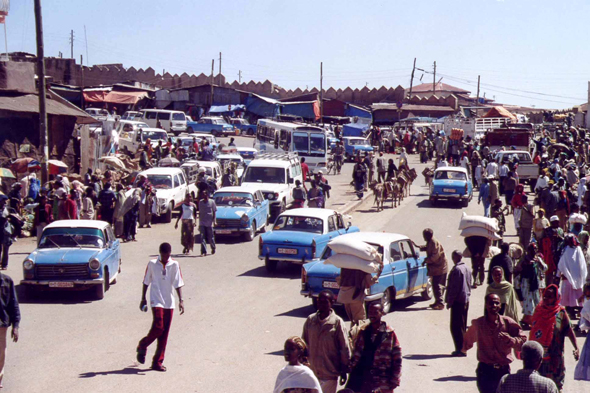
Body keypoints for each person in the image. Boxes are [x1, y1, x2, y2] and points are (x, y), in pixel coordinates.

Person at [462, 293, 527, 393]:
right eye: (491, 303)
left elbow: (523, 341)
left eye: (497, 303)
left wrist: (511, 341)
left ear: (500, 306)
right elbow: (467, 340)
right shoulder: (479, 324)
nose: (494, 306)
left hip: (503, 371)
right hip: (485, 371)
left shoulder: (507, 323)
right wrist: (464, 348)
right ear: (486, 305)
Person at [137, 242, 184, 372]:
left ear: (170, 254)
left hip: (169, 302)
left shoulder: (174, 264)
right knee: (158, 327)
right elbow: (146, 281)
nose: (165, 258)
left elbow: (178, 283)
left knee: (164, 334)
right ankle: (143, 345)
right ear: (160, 253)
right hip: (156, 300)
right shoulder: (152, 264)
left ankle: (157, 362)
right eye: (163, 255)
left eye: (167, 255)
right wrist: (143, 298)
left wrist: (181, 300)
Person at [529, 284, 580, 391]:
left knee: (555, 384)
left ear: (556, 298)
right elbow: (533, 330)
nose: (546, 298)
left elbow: (569, 331)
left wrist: (576, 348)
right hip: (538, 355)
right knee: (537, 383)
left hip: (554, 355)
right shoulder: (539, 309)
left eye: (550, 296)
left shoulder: (560, 313)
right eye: (545, 295)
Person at [346, 303, 402, 393]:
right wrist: (349, 368)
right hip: (365, 379)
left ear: (381, 313)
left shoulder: (389, 334)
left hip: (384, 380)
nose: (372, 315)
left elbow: (397, 359)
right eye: (370, 312)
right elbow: (357, 354)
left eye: (375, 312)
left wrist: (395, 378)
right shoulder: (364, 332)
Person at [302, 290, 350, 393]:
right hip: (312, 373)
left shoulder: (337, 323)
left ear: (332, 302)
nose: (321, 305)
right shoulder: (310, 320)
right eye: (319, 301)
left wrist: (344, 370)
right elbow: (304, 344)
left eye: (325, 302)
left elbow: (344, 348)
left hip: (329, 373)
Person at [445, 250, 472, 357]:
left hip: (458, 301)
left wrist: (449, 302)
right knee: (462, 325)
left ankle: (460, 349)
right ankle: (462, 348)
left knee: (456, 326)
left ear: (455, 257)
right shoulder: (467, 268)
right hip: (466, 300)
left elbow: (454, 288)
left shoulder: (457, 269)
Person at [514, 243, 548, 329]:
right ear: (528, 250)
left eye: (536, 249)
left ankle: (529, 320)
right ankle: (527, 321)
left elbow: (545, 268)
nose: (534, 251)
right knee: (529, 304)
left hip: (535, 284)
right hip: (526, 284)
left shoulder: (538, 259)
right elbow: (517, 272)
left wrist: (539, 262)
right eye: (533, 249)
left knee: (537, 303)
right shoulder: (524, 260)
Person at [557, 234, 588, 317]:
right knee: (577, 296)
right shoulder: (578, 249)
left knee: (569, 298)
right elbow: (582, 265)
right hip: (577, 279)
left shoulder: (566, 250)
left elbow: (561, 265)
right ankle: (577, 313)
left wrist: (558, 275)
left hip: (568, 279)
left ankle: (572, 313)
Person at [419, 228, 448, 310]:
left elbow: (435, 257)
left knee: (437, 285)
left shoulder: (434, 242)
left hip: (440, 267)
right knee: (435, 284)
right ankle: (437, 301)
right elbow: (429, 247)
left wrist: (426, 261)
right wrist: (423, 248)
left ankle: (440, 303)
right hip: (436, 267)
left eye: (424, 236)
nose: (423, 237)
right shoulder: (430, 242)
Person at [0, 272, 20, 389]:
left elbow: (13, 304)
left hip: (1, 324)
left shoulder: (6, 281)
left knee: (1, 352)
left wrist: (15, 326)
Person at [198, 190, 216, 256]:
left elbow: (214, 211)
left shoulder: (212, 202)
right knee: (202, 237)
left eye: (204, 194)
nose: (203, 196)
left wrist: (214, 221)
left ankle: (213, 247)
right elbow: (200, 213)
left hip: (209, 222)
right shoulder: (200, 202)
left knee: (210, 237)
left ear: (207, 195)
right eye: (202, 195)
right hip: (202, 222)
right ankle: (203, 251)